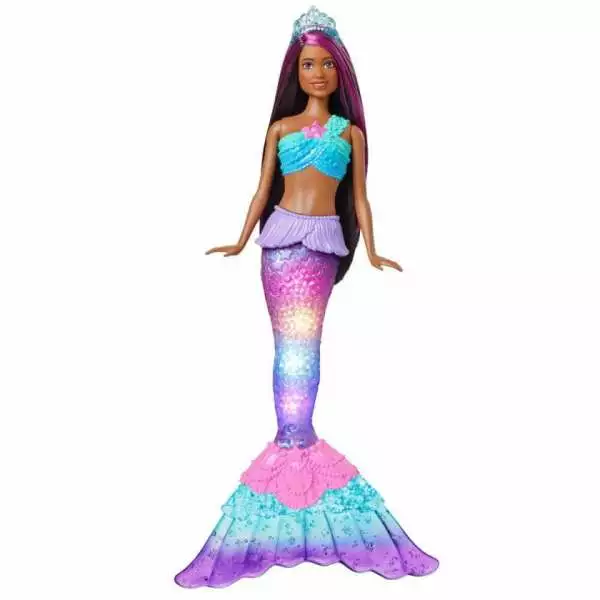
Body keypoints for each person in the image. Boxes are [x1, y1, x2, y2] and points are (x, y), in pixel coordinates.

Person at [174, 5, 439, 589]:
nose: (318, 74)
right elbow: (261, 189)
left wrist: (372, 251)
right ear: (295, 73)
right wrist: (239, 239)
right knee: (287, 349)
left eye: (326, 65)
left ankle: (298, 444)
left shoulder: (352, 134)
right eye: (307, 65)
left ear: (340, 71)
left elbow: (360, 198)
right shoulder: (281, 129)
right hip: (279, 247)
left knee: (307, 348)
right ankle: (292, 445)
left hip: (322, 246)